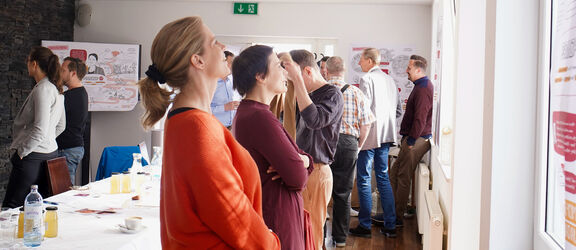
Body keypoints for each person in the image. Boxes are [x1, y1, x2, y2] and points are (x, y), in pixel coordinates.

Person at [137, 17, 280, 249]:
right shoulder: (197, 128)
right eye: (214, 42)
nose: (223, 47)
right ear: (198, 60)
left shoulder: (187, 119)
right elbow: (234, 215)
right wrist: (271, 241)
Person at [232, 45, 313, 250]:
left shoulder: (251, 112)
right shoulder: (260, 117)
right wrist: (300, 161)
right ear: (260, 75)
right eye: (278, 65)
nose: (285, 72)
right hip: (277, 218)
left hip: (272, 212)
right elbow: (297, 177)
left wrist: (302, 159)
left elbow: (301, 160)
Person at [283, 49, 344, 249]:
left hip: (317, 171)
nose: (292, 82)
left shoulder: (332, 94)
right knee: (302, 230)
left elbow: (314, 120)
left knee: (313, 233)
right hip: (305, 169)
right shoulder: (307, 95)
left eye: (295, 76)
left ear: (308, 72)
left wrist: (297, 84)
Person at [2, 46, 65, 208]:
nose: (27, 64)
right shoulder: (56, 89)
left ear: (34, 64)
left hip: (32, 156)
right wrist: (47, 140)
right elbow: (60, 126)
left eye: (28, 61)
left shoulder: (43, 89)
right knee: (38, 206)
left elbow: (40, 128)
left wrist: (23, 151)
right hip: (50, 153)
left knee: (12, 207)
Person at [325, 56, 375, 247]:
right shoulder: (356, 92)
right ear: (344, 71)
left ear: (326, 71)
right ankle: (340, 238)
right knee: (343, 194)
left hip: (325, 144)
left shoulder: (320, 91)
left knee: (321, 191)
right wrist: (359, 145)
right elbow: (366, 124)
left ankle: (319, 235)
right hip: (348, 143)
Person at [349, 48, 398, 238]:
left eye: (361, 60)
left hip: (370, 136)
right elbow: (397, 110)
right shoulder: (390, 80)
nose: (359, 63)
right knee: (383, 178)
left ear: (369, 61)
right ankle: (390, 225)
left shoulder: (366, 79)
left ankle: (365, 225)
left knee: (363, 179)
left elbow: (365, 110)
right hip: (386, 135)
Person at [390, 55, 433, 228]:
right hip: (413, 139)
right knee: (394, 173)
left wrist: (411, 140)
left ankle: (397, 217)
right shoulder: (420, 86)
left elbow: (420, 118)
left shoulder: (423, 88)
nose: (406, 71)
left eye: (409, 68)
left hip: (417, 140)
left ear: (418, 70)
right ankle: (393, 211)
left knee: (402, 176)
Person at [57, 57, 89, 185]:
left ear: (73, 73)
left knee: (62, 192)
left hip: (67, 150)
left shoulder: (71, 96)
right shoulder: (81, 93)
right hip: (71, 148)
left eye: (63, 70)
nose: (60, 73)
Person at [211, 50, 241, 129]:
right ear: (222, 63)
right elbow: (203, 109)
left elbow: (231, 106)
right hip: (216, 128)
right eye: (231, 62)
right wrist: (224, 107)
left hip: (230, 127)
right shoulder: (211, 84)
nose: (233, 66)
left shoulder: (230, 82)